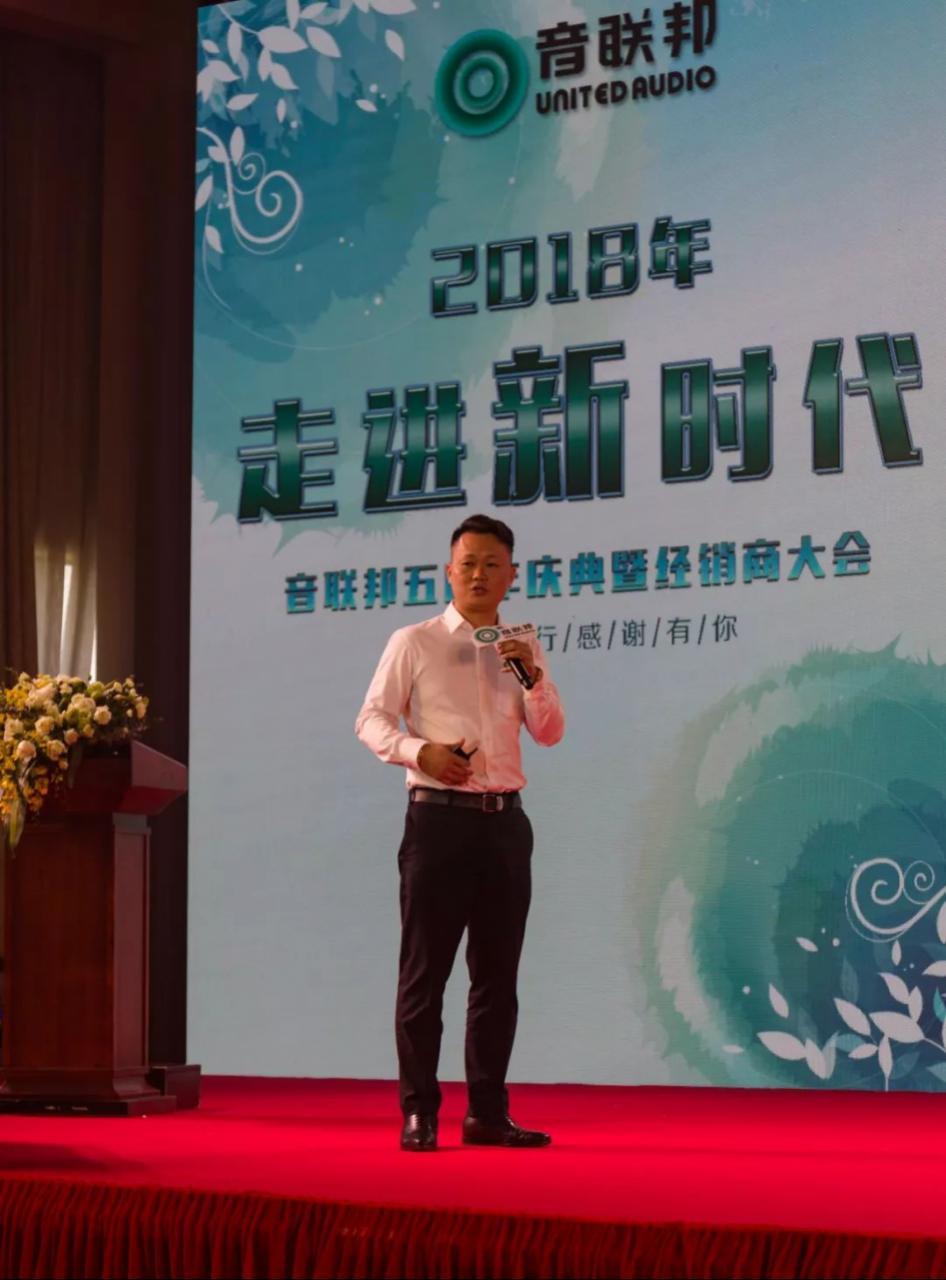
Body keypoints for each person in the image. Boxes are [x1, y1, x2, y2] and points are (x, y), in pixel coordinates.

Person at [355, 514, 565, 1152]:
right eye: (468, 563)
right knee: (425, 975)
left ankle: (487, 1114)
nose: (479, 574)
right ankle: (419, 1112)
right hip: (438, 820)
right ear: (449, 571)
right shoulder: (413, 641)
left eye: (491, 564)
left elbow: (550, 732)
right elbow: (371, 720)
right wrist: (420, 751)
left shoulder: (522, 645)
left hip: (506, 825)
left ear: (512, 575)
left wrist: (532, 676)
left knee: (497, 979)